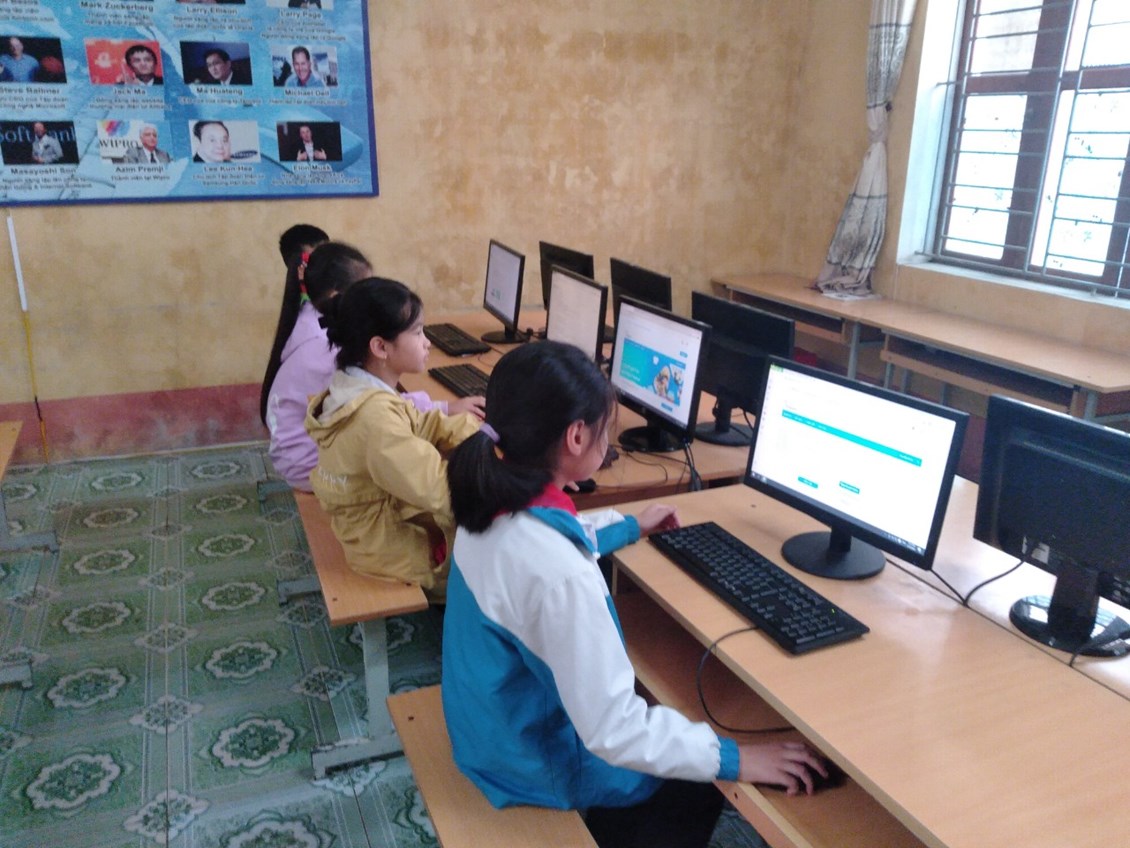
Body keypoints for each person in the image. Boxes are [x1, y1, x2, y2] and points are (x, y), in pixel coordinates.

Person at [441, 341, 830, 848]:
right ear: (576, 436)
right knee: (704, 775)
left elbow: (552, 541)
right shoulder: (560, 573)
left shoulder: (489, 498)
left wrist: (628, 526)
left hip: (489, 734)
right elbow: (614, 731)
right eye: (606, 428)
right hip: (534, 768)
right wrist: (737, 759)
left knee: (667, 701)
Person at [305, 278, 485, 597]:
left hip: (372, 528)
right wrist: (509, 470)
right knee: (495, 539)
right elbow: (442, 491)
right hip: (387, 548)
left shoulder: (357, 387)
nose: (427, 343)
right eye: (418, 332)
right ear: (380, 347)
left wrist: (485, 435)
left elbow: (423, 423)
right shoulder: (375, 418)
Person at [263, 244, 480, 492]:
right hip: (307, 463)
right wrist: (445, 410)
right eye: (418, 332)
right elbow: (379, 411)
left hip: (297, 448)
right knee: (420, 463)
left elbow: (382, 402)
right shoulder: (327, 353)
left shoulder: (317, 326)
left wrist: (443, 411)